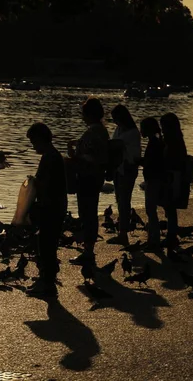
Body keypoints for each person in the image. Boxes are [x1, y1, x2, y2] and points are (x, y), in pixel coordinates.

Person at [25, 122, 68, 298]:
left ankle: (48, 283)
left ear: (41, 139)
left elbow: (47, 185)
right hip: (55, 205)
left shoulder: (50, 158)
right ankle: (46, 278)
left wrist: (34, 183)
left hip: (52, 207)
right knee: (45, 243)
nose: (33, 146)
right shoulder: (52, 156)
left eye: (34, 142)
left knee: (46, 245)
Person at [68, 98, 109, 265]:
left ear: (90, 114)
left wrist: (74, 156)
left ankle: (88, 251)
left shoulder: (92, 132)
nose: (82, 117)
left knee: (87, 213)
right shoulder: (101, 131)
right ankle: (88, 248)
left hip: (88, 177)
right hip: (95, 177)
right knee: (89, 212)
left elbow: (92, 156)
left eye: (84, 114)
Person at [107, 105, 141, 246]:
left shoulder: (133, 132)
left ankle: (123, 234)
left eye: (115, 118)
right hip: (118, 168)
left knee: (124, 201)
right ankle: (122, 231)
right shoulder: (119, 129)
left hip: (127, 169)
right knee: (120, 200)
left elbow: (116, 144)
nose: (114, 121)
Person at [159, 112, 188, 248]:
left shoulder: (172, 142)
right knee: (170, 208)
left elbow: (172, 160)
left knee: (170, 207)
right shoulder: (177, 140)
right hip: (174, 176)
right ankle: (172, 234)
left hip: (172, 177)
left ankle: (171, 236)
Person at [140, 117, 165, 249]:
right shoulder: (156, 142)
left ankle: (154, 240)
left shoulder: (154, 143)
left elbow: (153, 163)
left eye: (142, 128)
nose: (140, 131)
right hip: (154, 179)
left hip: (153, 179)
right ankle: (153, 238)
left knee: (151, 210)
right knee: (151, 210)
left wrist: (140, 161)